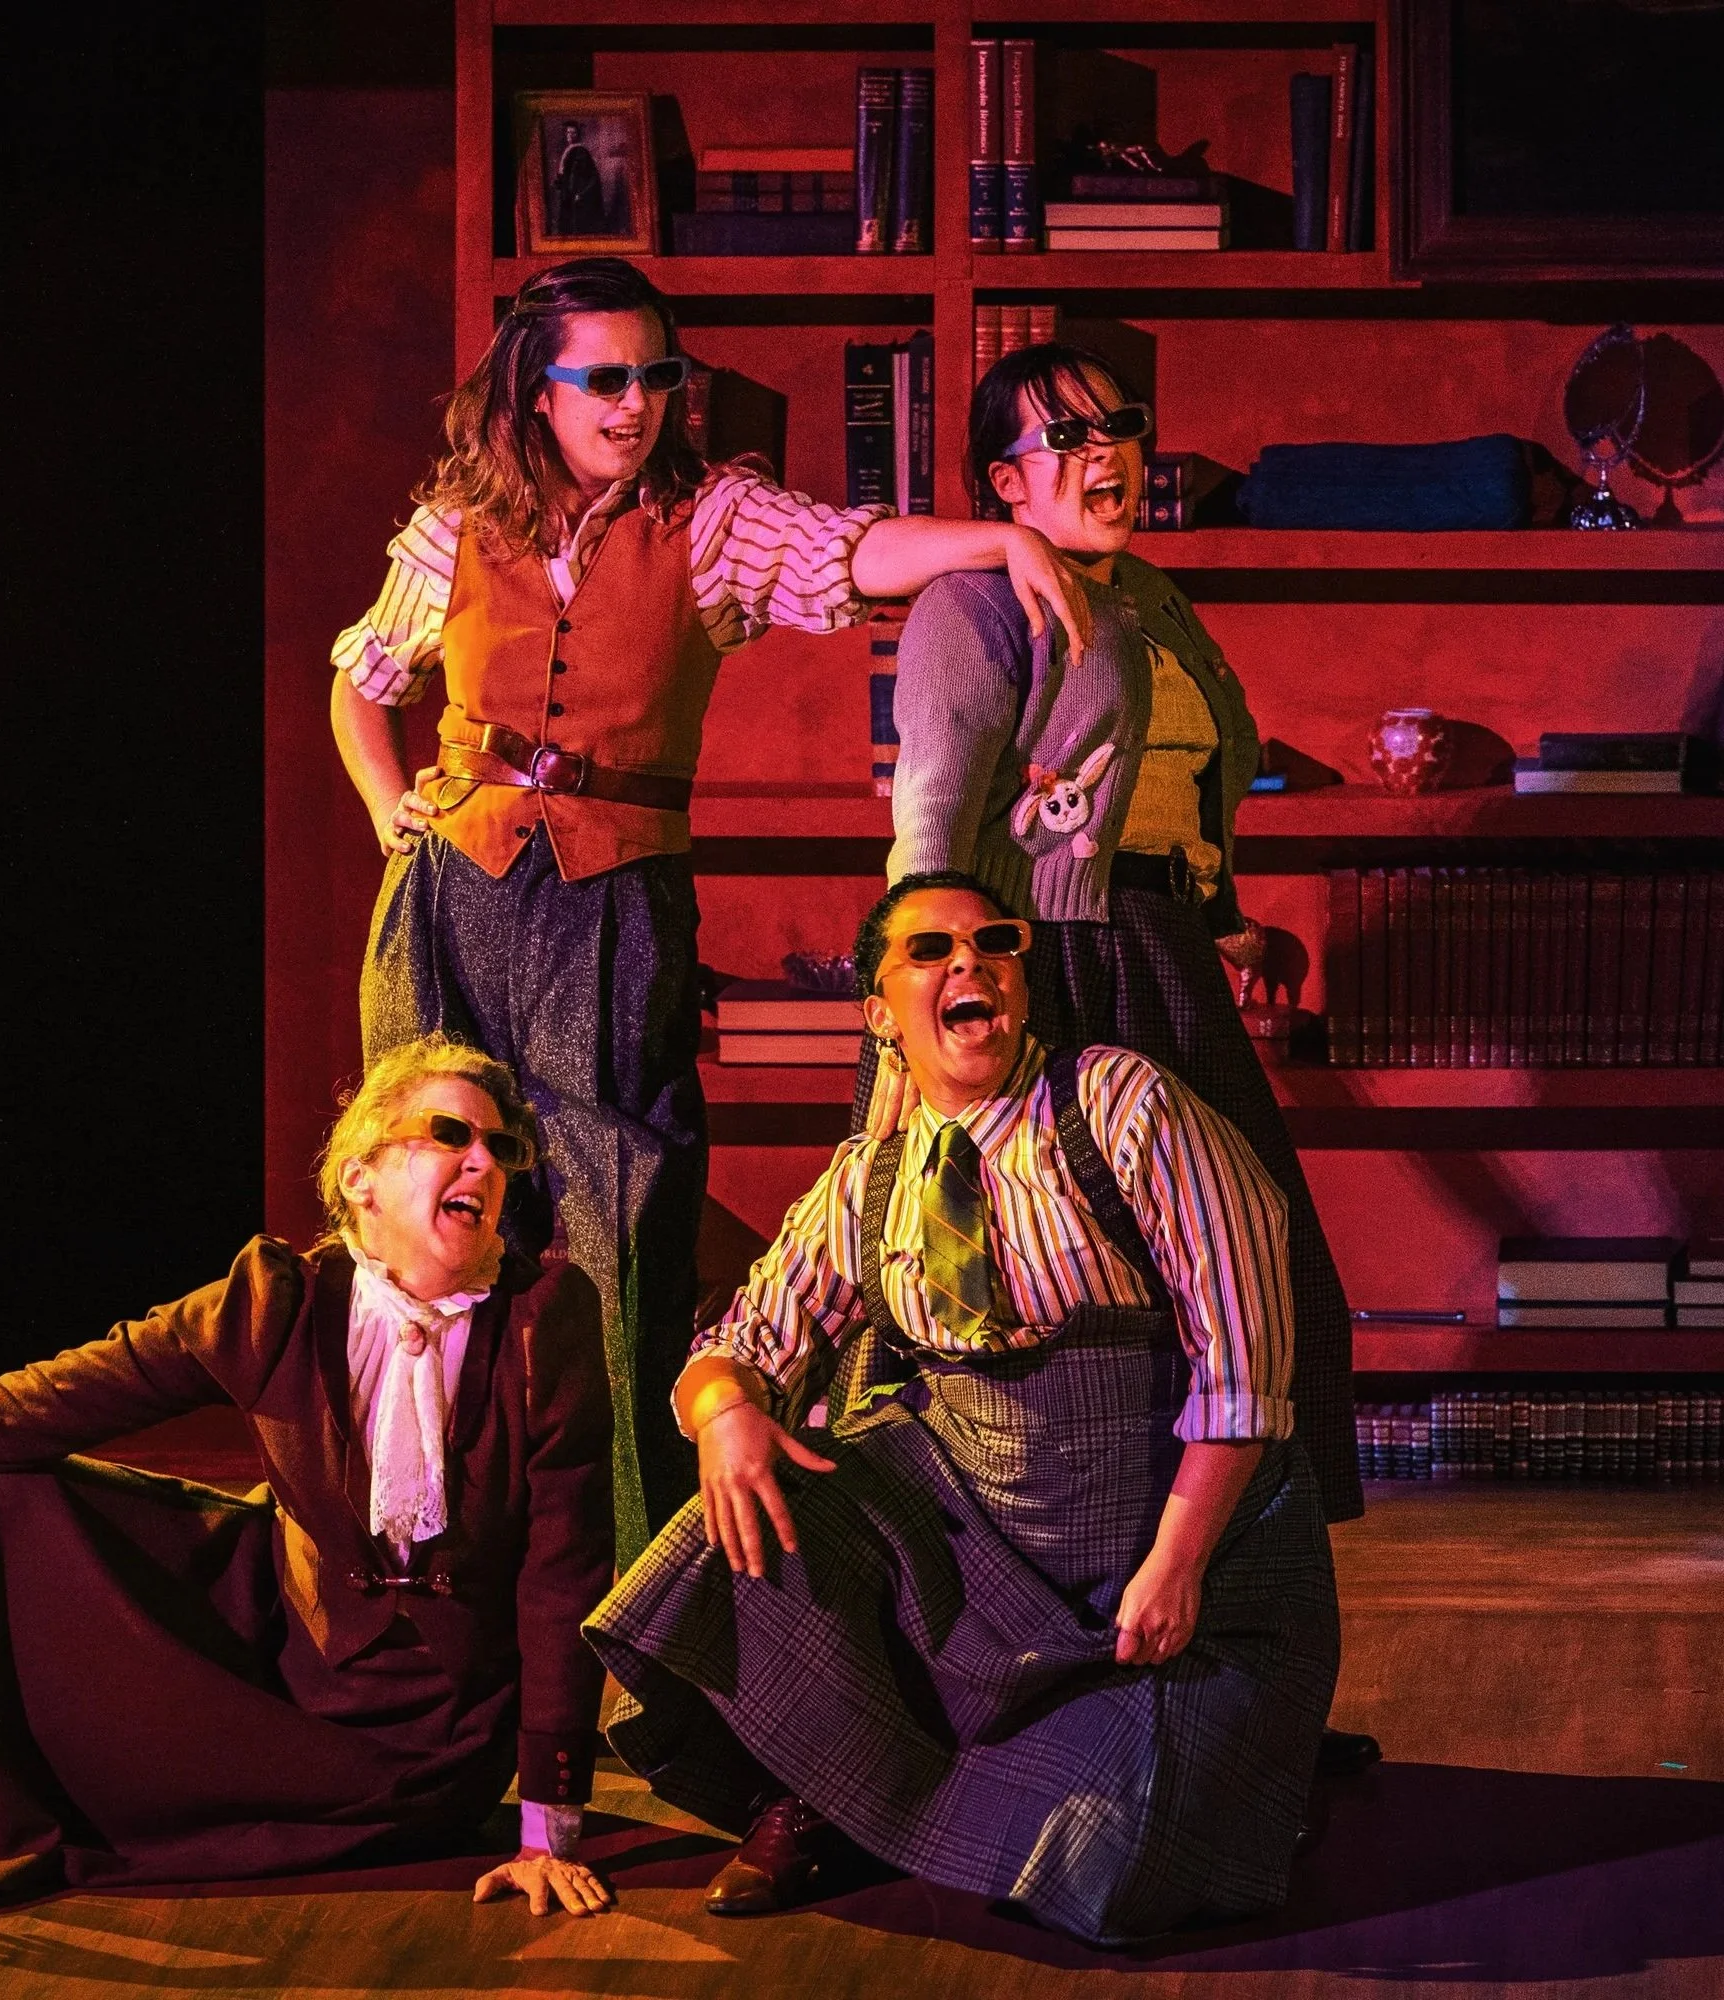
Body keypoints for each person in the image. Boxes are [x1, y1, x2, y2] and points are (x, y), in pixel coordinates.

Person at [329, 254, 1093, 1565]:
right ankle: (415, 1542)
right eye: (604, 379)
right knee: (417, 1206)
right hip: (448, 894)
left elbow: (853, 550)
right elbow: (363, 677)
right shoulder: (461, 527)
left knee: (615, 1223)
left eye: (656, 375)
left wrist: (1003, 538)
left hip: (611, 906)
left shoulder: (710, 522)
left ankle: (614, 1569)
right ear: (538, 390)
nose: (635, 403)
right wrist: (386, 803)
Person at [587, 874, 1341, 1947]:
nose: (968, 961)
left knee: (1118, 1871)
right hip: (972, 1548)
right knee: (732, 1524)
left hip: (1158, 1546)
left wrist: (1177, 1561)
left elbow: (1244, 1358)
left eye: (992, 941)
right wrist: (725, 1415)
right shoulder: (869, 1178)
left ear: (1021, 982)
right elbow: (740, 1344)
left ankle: (1220, 1779)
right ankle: (825, 1795)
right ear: (878, 1012)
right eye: (929, 949)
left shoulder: (1119, 1105)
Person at [0, 1039, 617, 1920]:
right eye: (450, 1135)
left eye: (501, 1148)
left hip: (428, 1740)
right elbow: (46, 1399)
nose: (483, 1163)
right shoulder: (280, 1301)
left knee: (116, 1790)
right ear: (361, 1177)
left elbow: (562, 1573)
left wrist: (549, 1829)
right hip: (283, 1661)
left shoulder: (543, 1321)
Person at [863, 342, 1366, 1547]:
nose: (1108, 455)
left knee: (1251, 1264)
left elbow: (1173, 787)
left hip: (1160, 951)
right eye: (1067, 437)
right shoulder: (972, 605)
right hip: (1048, 964)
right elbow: (929, 820)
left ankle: (1246, 1587)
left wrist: (1218, 912)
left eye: (1120, 426)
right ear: (1003, 481)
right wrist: (923, 998)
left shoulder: (1149, 596)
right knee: (1076, 1282)